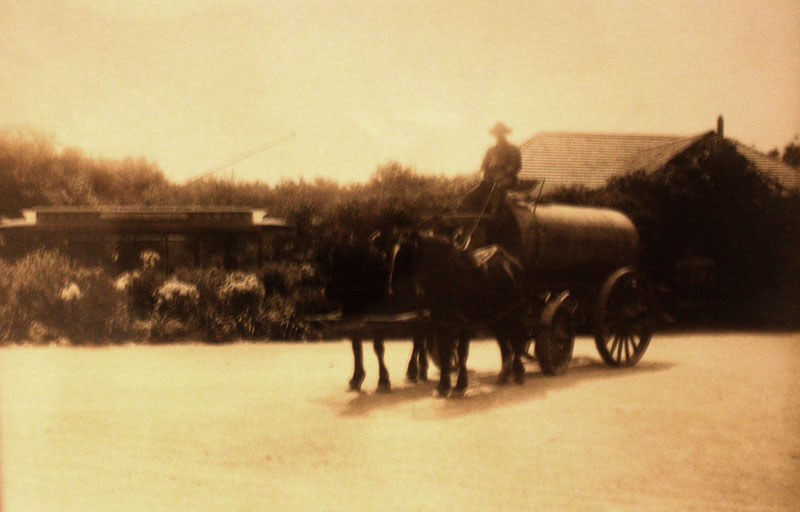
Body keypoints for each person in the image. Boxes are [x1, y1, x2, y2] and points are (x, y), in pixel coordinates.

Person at [459, 122, 522, 214]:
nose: (498, 136)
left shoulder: (513, 149)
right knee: (470, 195)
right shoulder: (490, 150)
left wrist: (504, 173)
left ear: (505, 134)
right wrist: (486, 175)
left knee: (496, 191)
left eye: (501, 133)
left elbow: (516, 165)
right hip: (490, 180)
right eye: (497, 134)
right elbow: (484, 166)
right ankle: (472, 215)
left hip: (507, 179)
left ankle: (493, 215)